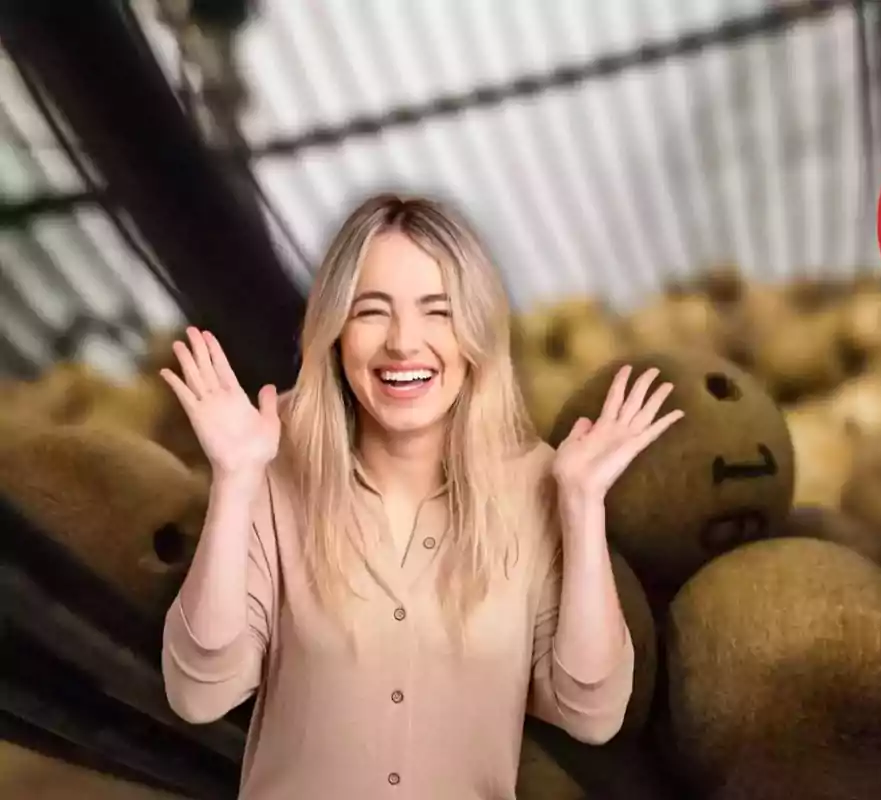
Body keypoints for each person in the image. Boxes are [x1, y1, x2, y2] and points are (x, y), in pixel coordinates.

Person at [159, 194, 684, 799]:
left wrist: (583, 505)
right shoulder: (274, 466)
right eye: (371, 311)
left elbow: (590, 713)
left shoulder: (535, 481)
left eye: (438, 312)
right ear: (333, 332)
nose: (404, 343)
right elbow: (200, 693)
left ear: (477, 334)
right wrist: (234, 481)